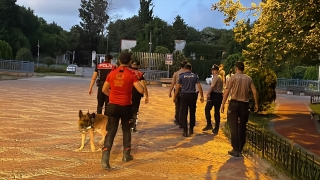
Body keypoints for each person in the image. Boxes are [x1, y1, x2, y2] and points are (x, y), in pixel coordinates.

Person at [100, 52, 144, 169]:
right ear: (130, 62)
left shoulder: (112, 73)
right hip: (126, 106)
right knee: (126, 130)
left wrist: (112, 96)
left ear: (119, 61)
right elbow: (140, 90)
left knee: (111, 131)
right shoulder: (132, 74)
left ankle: (105, 160)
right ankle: (126, 154)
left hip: (112, 106)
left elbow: (104, 89)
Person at [221, 62, 258, 157]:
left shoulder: (232, 78)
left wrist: (223, 104)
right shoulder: (248, 78)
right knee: (242, 127)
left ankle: (235, 149)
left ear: (236, 68)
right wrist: (256, 104)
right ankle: (241, 147)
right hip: (244, 105)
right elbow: (254, 91)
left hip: (234, 104)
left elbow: (227, 90)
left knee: (233, 126)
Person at [173, 63, 204, 137]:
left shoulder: (181, 76)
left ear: (185, 69)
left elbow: (177, 87)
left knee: (184, 113)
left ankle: (185, 131)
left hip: (184, 95)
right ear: (191, 69)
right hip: (192, 95)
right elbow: (199, 86)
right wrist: (202, 96)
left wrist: (175, 96)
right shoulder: (195, 76)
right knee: (192, 112)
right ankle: (191, 129)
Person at [203, 64, 223, 135]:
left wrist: (208, 94)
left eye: (214, 70)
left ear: (217, 70)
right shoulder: (220, 77)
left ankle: (210, 125)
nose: (213, 72)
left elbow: (212, 86)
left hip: (215, 95)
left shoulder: (216, 77)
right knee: (216, 111)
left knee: (207, 109)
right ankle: (215, 127)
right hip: (219, 95)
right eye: (212, 70)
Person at [130, 61, 149, 133]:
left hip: (127, 93)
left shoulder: (127, 71)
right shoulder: (140, 74)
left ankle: (125, 125)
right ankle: (133, 127)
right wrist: (147, 96)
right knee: (135, 110)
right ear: (138, 66)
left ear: (132, 65)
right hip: (136, 94)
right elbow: (144, 85)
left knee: (126, 109)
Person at [168, 60, 188, 126]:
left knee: (178, 105)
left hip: (178, 90)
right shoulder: (188, 73)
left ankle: (177, 119)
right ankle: (183, 119)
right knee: (184, 106)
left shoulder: (176, 73)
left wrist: (170, 92)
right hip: (186, 90)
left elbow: (173, 83)